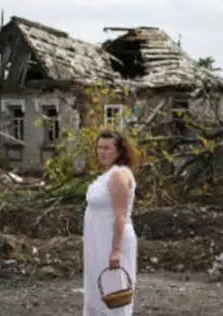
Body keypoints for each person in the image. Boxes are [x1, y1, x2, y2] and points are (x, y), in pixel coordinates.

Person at [83, 129, 138, 315]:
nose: (102, 152)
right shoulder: (107, 175)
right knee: (98, 292)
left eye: (107, 148)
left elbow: (121, 214)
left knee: (115, 293)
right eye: (99, 147)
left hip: (111, 242)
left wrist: (115, 250)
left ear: (119, 151)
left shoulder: (119, 175)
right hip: (97, 242)